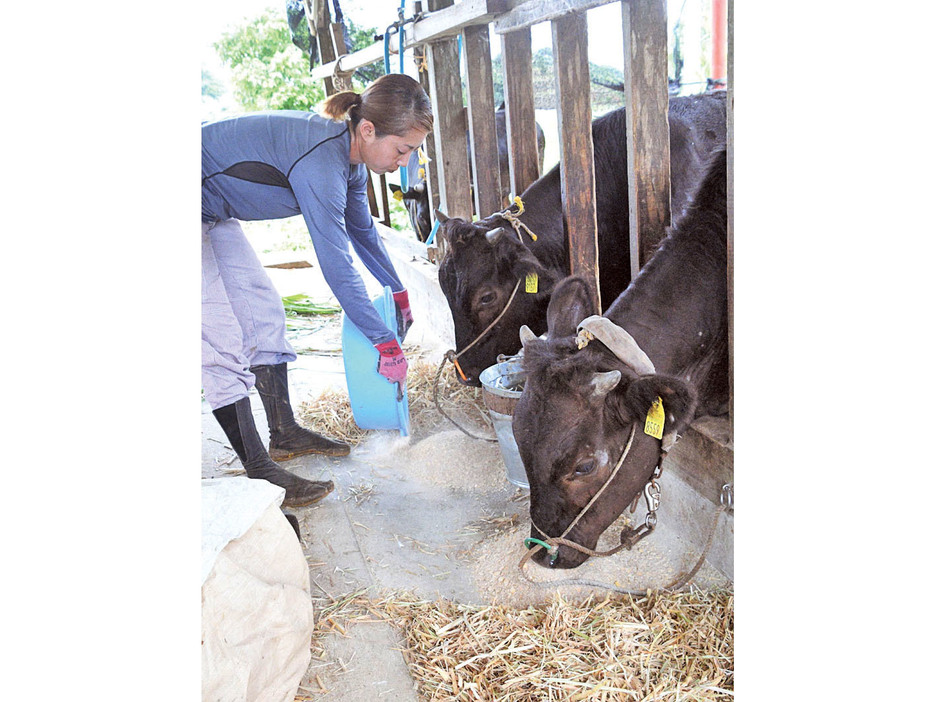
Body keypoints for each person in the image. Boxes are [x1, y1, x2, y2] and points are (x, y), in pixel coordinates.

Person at [202, 73, 432, 508]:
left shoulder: (350, 161)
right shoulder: (321, 160)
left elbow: (362, 233)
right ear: (368, 131)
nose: (404, 162)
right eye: (402, 149)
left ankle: (285, 432)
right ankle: (259, 470)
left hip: (211, 209)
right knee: (219, 335)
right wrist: (385, 343)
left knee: (263, 313)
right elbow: (336, 264)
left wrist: (399, 293)